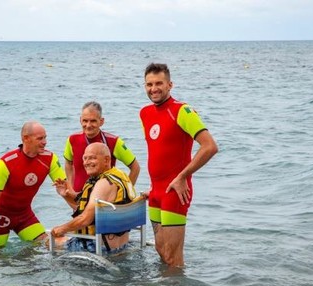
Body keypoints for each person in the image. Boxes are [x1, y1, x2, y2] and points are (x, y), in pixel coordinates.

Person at [139, 63, 218, 267]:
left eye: (159, 83)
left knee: (173, 258)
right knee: (161, 250)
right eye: (149, 84)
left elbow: (209, 147)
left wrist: (182, 176)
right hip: (156, 191)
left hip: (176, 191)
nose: (153, 88)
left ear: (170, 84)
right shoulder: (145, 114)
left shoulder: (183, 111)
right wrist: (153, 186)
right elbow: (158, 151)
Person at [0, 121, 69, 253]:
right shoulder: (6, 162)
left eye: (45, 137)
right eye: (40, 138)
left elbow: (66, 188)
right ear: (25, 138)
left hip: (23, 215)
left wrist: (65, 194)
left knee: (48, 244)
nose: (45, 142)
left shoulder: (49, 159)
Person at [51, 142, 137, 253]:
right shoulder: (119, 176)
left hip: (99, 247)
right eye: (85, 158)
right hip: (122, 245)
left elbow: (85, 219)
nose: (86, 162)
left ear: (106, 160)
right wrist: (66, 195)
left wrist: (60, 229)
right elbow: (84, 206)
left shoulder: (103, 183)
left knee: (50, 240)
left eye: (92, 158)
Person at [64, 101, 140, 194]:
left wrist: (125, 192)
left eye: (93, 121)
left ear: (101, 121)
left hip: (105, 199)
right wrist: (71, 188)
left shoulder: (114, 141)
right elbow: (68, 164)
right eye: (85, 121)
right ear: (80, 120)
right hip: (79, 199)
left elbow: (135, 167)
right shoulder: (72, 140)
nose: (88, 125)